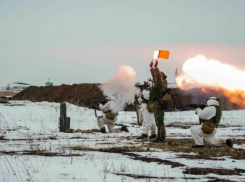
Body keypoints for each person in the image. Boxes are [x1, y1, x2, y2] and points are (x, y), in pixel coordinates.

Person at [149, 60, 169, 142]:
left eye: (157, 77)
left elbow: (157, 76)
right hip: (156, 105)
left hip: (158, 105)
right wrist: (151, 68)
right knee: (158, 122)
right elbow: (155, 76)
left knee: (160, 122)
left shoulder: (161, 84)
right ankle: (159, 136)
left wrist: (156, 68)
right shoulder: (158, 83)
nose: (155, 78)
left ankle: (162, 137)